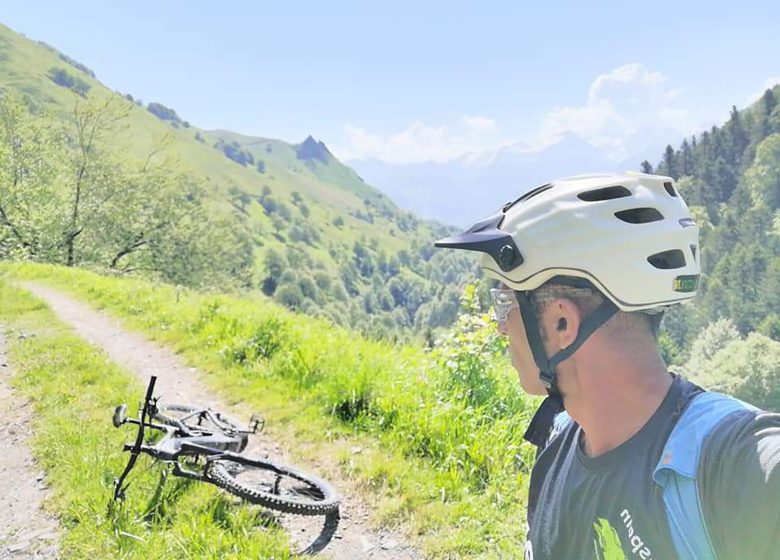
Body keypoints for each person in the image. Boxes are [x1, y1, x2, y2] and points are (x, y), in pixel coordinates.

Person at [435, 172, 780, 560]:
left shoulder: (729, 463)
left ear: (561, 322)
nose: (500, 328)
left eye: (505, 305)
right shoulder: (558, 438)